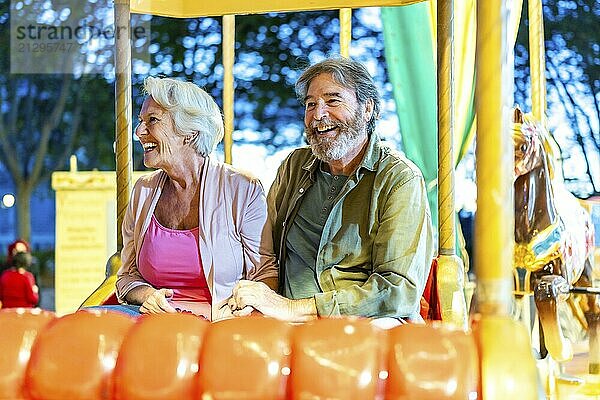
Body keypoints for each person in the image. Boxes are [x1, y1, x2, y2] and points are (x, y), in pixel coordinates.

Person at [228, 57, 435, 323]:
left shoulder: (399, 178)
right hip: (282, 320)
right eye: (310, 104)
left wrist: (295, 308)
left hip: (366, 323)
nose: (318, 114)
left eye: (333, 100)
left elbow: (397, 292)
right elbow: (262, 252)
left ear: (367, 109)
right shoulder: (295, 166)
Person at [109, 77, 277, 320]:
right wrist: (148, 296)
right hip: (154, 321)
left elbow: (264, 274)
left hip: (221, 325)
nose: (139, 132)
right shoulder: (143, 191)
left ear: (189, 132)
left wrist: (240, 317)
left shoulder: (242, 188)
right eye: (140, 122)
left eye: (152, 121)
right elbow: (127, 276)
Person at [0, 239, 39, 309]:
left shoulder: (5, 274)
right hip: (24, 311)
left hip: (8, 311)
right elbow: (33, 298)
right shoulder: (27, 276)